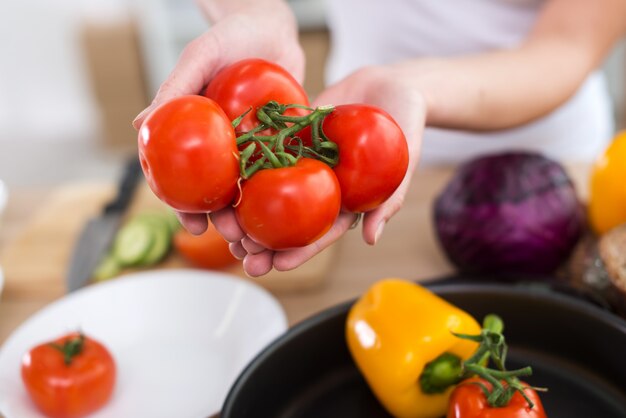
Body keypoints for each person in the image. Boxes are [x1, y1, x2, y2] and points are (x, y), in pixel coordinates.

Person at [132, 0, 626, 277]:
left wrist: (415, 89)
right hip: (340, 128)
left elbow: (567, 45)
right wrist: (258, 13)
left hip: (549, 171)